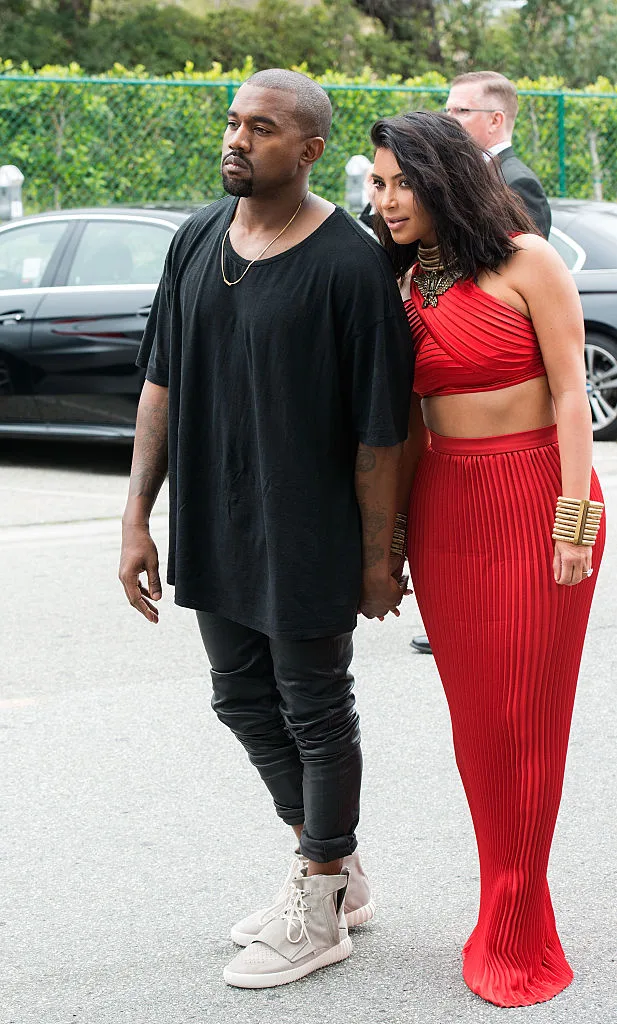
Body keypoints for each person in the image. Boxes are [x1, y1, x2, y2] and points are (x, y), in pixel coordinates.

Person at [118, 68, 413, 990]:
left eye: (263, 127)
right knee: (240, 701)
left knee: (316, 710)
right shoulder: (198, 234)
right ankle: (331, 866)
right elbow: (160, 380)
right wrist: (135, 517)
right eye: (233, 121)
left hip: (308, 529)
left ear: (310, 149)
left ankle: (320, 898)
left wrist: (379, 562)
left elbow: (380, 434)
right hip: (213, 518)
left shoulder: (351, 264)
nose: (236, 139)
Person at [370, 110, 605, 1007]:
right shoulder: (398, 283)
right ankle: (504, 900)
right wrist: (388, 543)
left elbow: (570, 395)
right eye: (379, 184)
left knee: (525, 721)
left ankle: (517, 925)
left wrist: (573, 518)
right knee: (478, 731)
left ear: (444, 179)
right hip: (447, 513)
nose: (386, 201)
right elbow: (399, 430)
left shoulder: (528, 259)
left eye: (402, 183)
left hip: (539, 499)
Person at [412, 69, 553, 657]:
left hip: (518, 436)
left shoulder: (518, 183)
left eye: (459, 112)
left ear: (495, 120)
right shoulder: (414, 258)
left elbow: (516, 275)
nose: (449, 122)